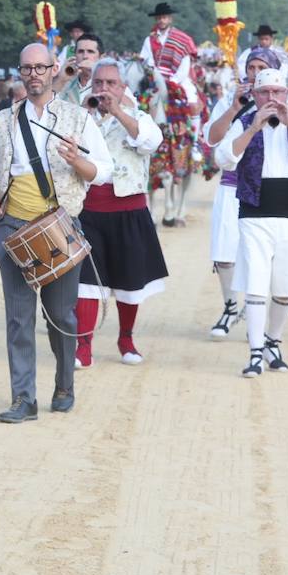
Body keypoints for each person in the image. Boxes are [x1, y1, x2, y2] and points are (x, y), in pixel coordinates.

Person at [0, 42, 111, 422]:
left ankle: (65, 383)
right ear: (20, 72)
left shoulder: (77, 118)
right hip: (13, 226)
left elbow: (104, 170)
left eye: (41, 67)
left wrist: (78, 161)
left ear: (54, 69)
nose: (34, 74)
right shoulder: (3, 119)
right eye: (27, 68)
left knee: (60, 314)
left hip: (60, 224)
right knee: (18, 318)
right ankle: (23, 398)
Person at [215, 69, 288, 377]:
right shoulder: (245, 122)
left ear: (286, 94)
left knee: (285, 285)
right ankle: (255, 351)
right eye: (264, 92)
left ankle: (273, 342)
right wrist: (253, 128)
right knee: (256, 283)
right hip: (254, 211)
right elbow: (224, 158)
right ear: (254, 95)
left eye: (276, 93)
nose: (271, 98)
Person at [74, 59, 167, 368]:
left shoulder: (139, 117)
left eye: (111, 83)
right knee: (86, 281)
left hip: (129, 209)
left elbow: (151, 142)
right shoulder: (80, 117)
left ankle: (125, 338)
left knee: (129, 280)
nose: (104, 89)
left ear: (122, 87)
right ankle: (82, 345)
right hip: (89, 209)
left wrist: (117, 111)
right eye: (99, 83)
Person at [203, 47, 288, 338]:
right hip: (232, 185)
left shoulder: (287, 101)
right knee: (224, 252)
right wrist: (233, 107)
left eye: (261, 66)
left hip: (272, 191)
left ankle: (267, 322)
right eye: (251, 66)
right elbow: (213, 139)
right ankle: (229, 307)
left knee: (270, 258)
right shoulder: (231, 99)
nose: (254, 72)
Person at [140, 3, 201, 227]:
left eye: (165, 16)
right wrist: (153, 74)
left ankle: (194, 142)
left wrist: (173, 82)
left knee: (193, 99)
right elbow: (145, 60)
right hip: (156, 81)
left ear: (170, 18)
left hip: (177, 81)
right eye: (160, 17)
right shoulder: (150, 40)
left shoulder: (182, 39)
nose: (162, 19)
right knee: (140, 103)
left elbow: (185, 64)